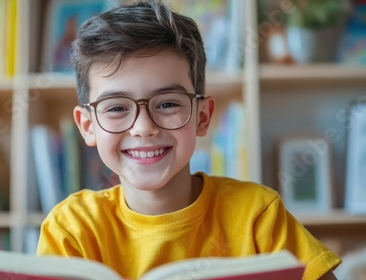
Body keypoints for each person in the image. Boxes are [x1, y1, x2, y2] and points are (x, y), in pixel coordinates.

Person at [37, 1, 341, 279]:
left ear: (202, 117)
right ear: (88, 126)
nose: (144, 128)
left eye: (168, 104)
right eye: (117, 108)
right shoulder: (73, 228)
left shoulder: (257, 214)